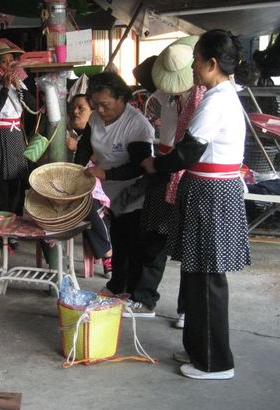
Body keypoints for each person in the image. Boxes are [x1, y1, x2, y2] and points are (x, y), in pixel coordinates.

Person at [141, 29, 253, 380]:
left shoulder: (217, 99)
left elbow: (189, 151)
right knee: (196, 273)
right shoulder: (218, 95)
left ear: (212, 63)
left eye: (196, 62)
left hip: (213, 193)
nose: (192, 69)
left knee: (207, 278)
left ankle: (216, 362)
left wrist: (156, 165)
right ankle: (197, 348)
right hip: (205, 189)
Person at [126, 36, 205, 322]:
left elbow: (194, 149)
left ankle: (186, 308)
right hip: (163, 171)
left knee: (188, 245)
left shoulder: (206, 99)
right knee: (154, 238)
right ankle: (145, 299)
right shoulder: (162, 96)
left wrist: (160, 163)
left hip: (191, 175)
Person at [78, 72, 154, 297]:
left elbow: (139, 166)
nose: (100, 110)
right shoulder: (94, 119)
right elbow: (84, 147)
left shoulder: (137, 125)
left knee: (134, 243)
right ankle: (117, 284)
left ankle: (133, 291)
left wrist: (105, 172)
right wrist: (77, 169)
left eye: (105, 105)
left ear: (122, 98)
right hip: (109, 188)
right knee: (119, 240)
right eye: (95, 105)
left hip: (134, 190)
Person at [0, 38, 36, 215]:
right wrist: (4, 87)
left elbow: (32, 105)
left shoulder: (19, 82)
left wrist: (19, 87)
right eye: (4, 61)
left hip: (15, 135)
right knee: (0, 184)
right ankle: (2, 229)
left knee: (17, 182)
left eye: (12, 61)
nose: (9, 64)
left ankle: (14, 227)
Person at [67, 94, 112, 277]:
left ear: (92, 113)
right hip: (72, 185)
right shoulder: (64, 132)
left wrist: (76, 147)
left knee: (89, 203)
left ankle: (108, 253)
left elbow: (104, 157)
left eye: (81, 108)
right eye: (73, 108)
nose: (75, 112)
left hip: (99, 183)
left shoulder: (98, 131)